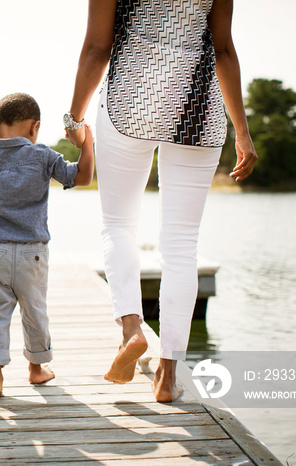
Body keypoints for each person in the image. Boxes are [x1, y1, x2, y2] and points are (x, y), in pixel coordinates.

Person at [65, 0, 258, 402]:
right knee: (182, 244)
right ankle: (168, 376)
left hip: (129, 102)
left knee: (119, 225)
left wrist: (75, 118)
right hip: (197, 108)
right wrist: (241, 129)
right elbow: (223, 49)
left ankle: (133, 331)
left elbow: (97, 49)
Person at [0, 93, 95, 396]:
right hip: (32, 253)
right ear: (35, 127)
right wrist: (87, 141)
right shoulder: (43, 156)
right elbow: (83, 177)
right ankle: (36, 369)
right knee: (34, 310)